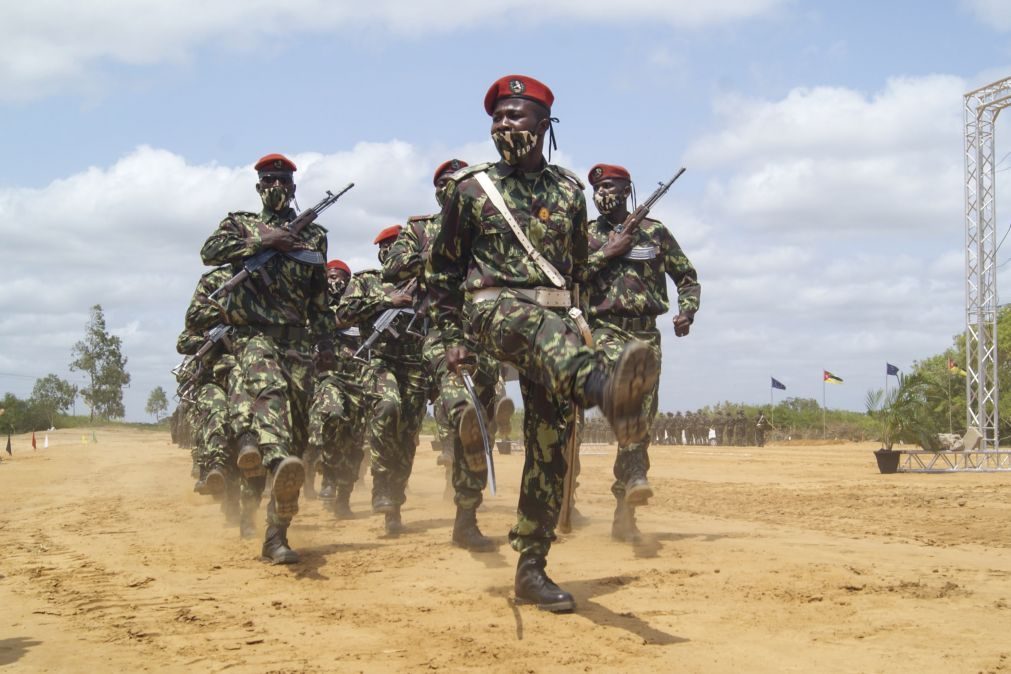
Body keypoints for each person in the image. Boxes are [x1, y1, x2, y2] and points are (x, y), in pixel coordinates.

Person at [427, 74, 660, 613]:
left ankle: (531, 566)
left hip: (555, 319)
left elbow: (576, 268)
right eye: (498, 117)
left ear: (544, 125)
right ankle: (606, 390)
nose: (505, 125)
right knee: (533, 327)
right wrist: (448, 339)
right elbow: (442, 274)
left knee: (551, 444)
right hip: (493, 310)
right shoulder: (471, 191)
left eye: (517, 116)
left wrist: (583, 320)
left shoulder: (568, 191)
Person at [200, 153, 334, 564]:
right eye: (269, 181)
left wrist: (327, 345)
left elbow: (319, 297)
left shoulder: (315, 236)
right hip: (253, 338)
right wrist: (265, 241)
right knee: (270, 399)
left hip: (296, 344)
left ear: (294, 188)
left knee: (295, 438)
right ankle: (275, 463)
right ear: (259, 187)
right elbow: (210, 251)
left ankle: (275, 535)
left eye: (283, 181)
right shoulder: (239, 224)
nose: (277, 187)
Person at [581, 162, 701, 543]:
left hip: (647, 334)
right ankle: (634, 476)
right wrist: (608, 252)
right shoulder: (585, 235)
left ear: (628, 189)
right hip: (605, 330)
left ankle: (625, 507)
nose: (604, 194)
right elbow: (572, 276)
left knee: (640, 425)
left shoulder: (656, 232)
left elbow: (686, 275)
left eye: (612, 186)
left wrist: (687, 311)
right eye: (598, 188)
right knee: (626, 394)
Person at [383, 159, 497, 552]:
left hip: (484, 332)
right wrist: (439, 254)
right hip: (440, 332)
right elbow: (392, 267)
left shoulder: (488, 223)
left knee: (477, 431)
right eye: (449, 184)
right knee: (457, 398)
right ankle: (393, 504)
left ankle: (466, 517)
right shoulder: (419, 229)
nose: (455, 189)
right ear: (438, 192)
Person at [336, 226, 427, 535]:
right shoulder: (366, 281)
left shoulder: (425, 283)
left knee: (407, 437)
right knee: (387, 407)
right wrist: (386, 302)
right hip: (378, 359)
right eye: (388, 248)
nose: (393, 253)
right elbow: (343, 313)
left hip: (415, 363)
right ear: (381, 253)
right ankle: (380, 487)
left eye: (400, 246)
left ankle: (394, 504)